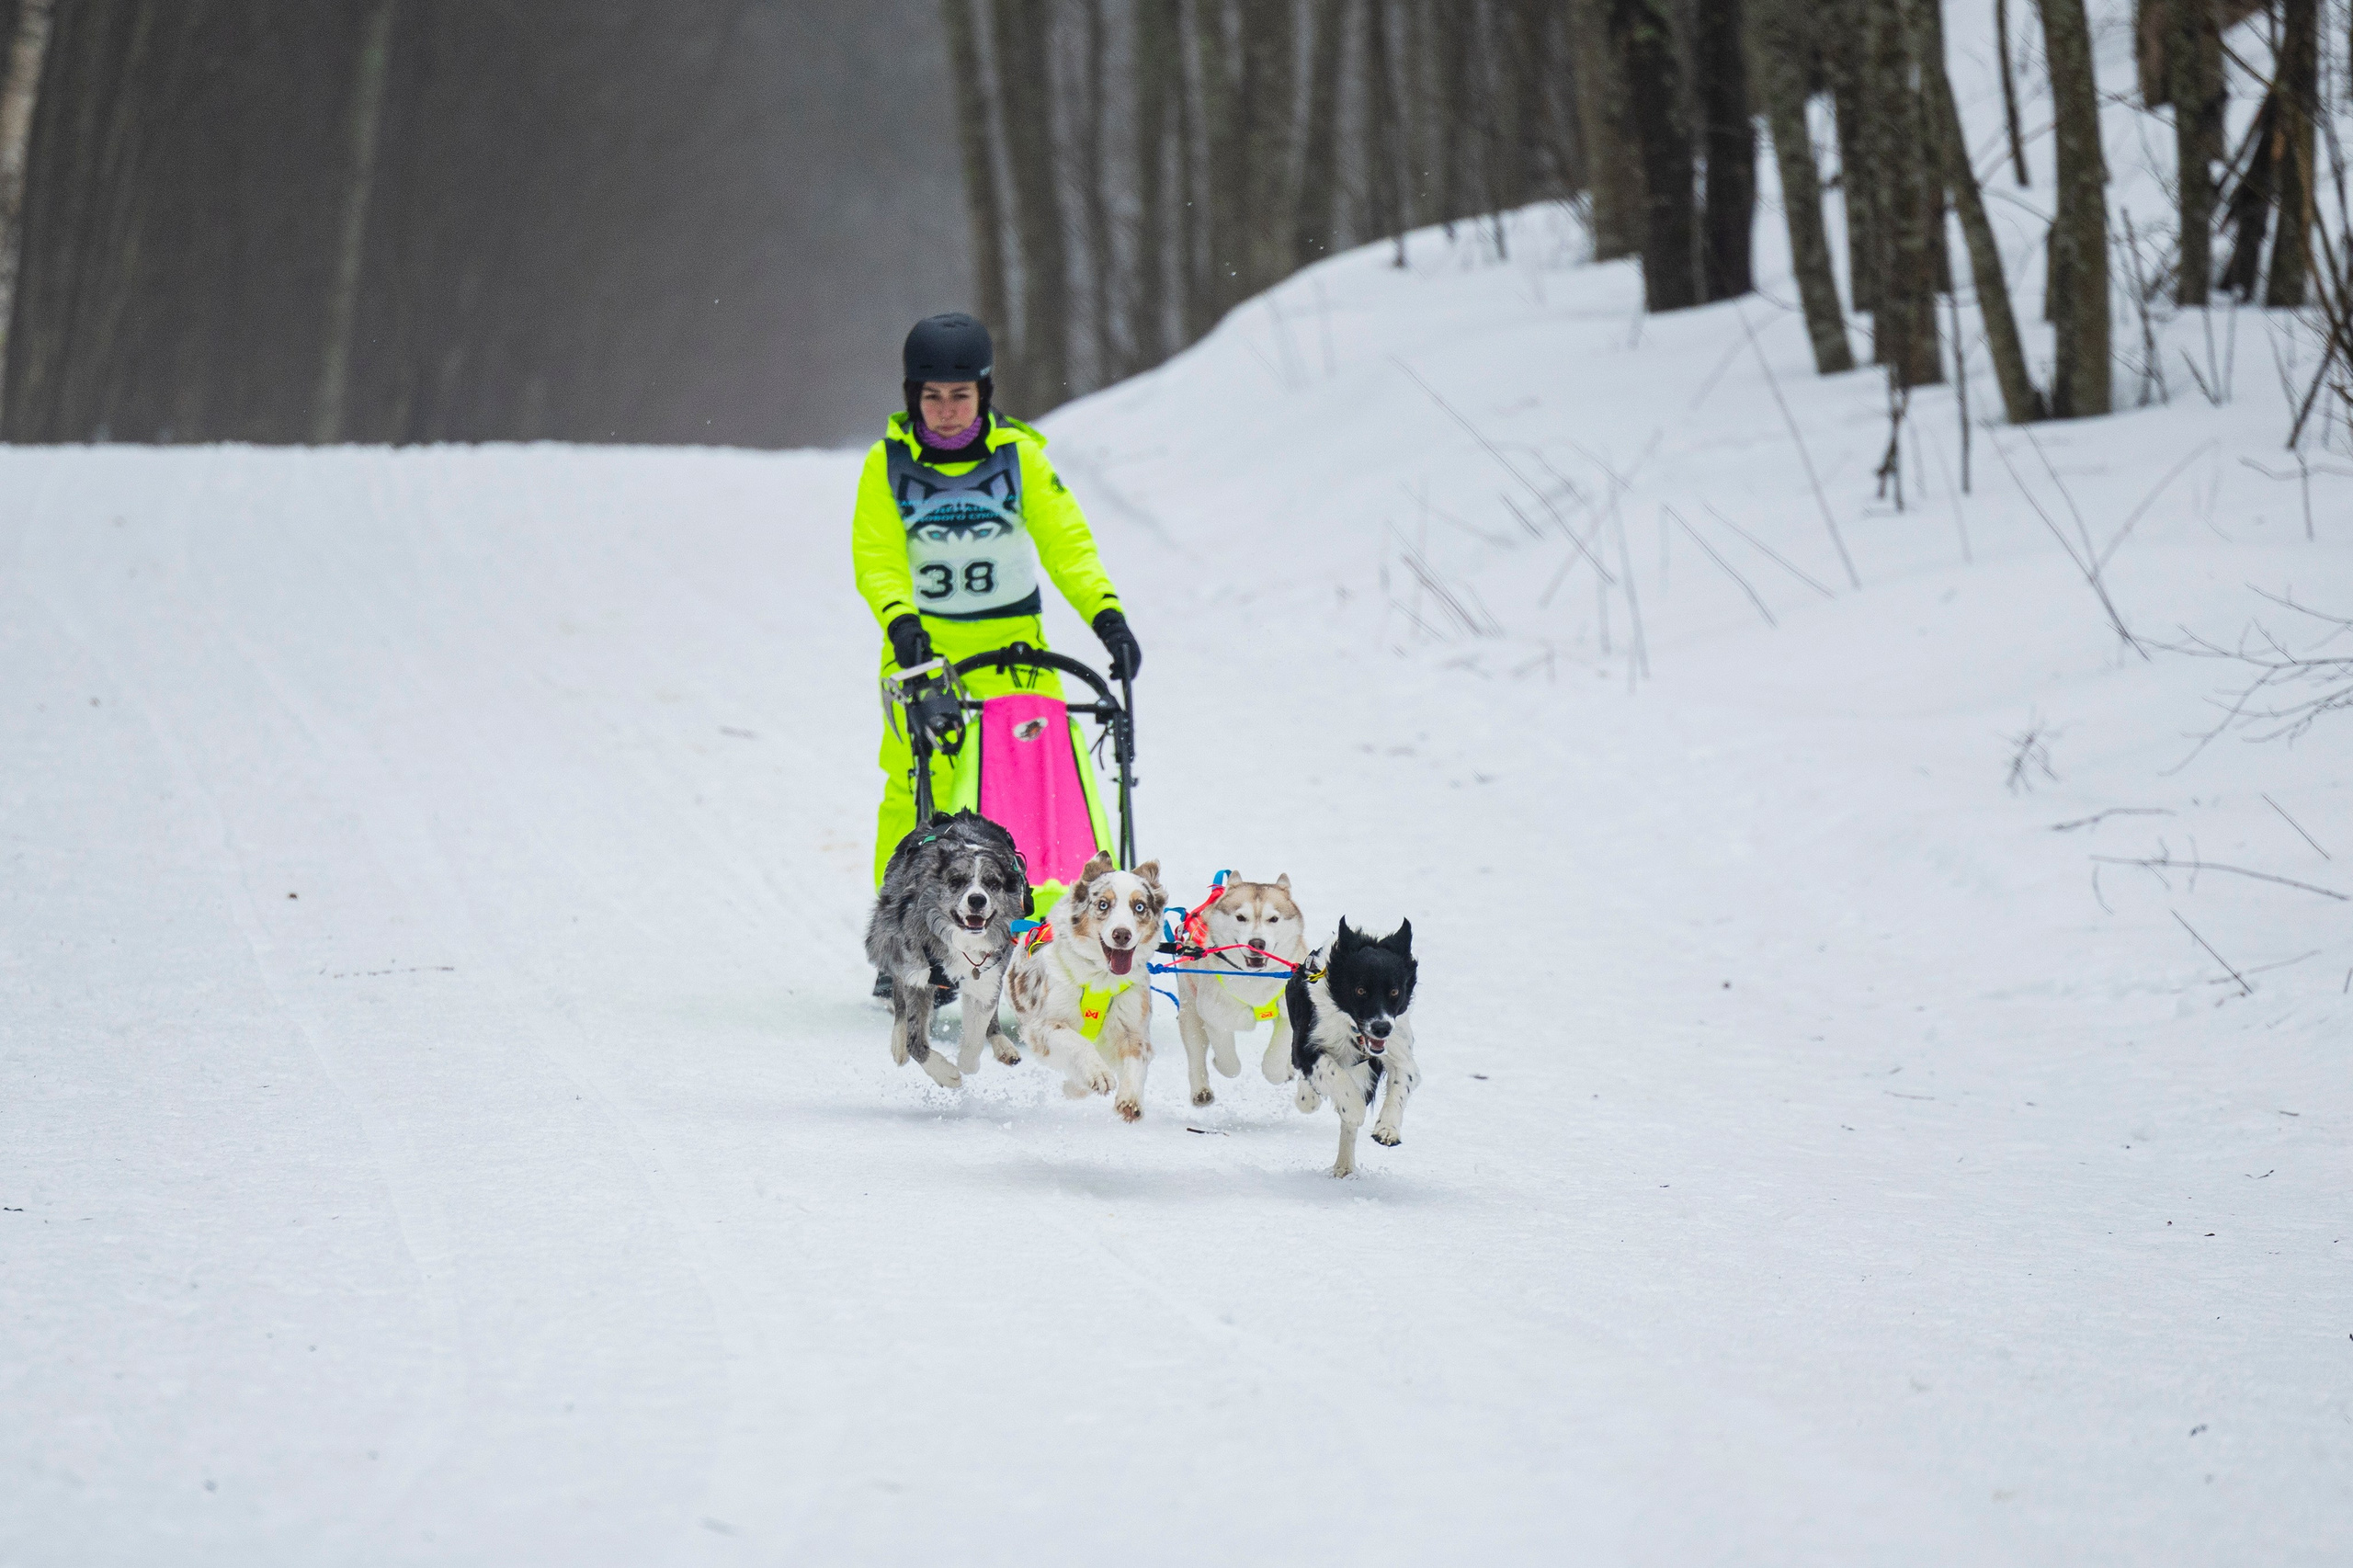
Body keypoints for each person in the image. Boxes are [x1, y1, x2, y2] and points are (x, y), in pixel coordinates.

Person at [851, 312, 1142, 997]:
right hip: (925, 657)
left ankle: (1038, 937)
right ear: (910, 396)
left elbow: (1067, 544)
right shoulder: (886, 465)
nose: (946, 411)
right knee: (919, 798)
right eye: (931, 396)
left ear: (983, 393)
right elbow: (878, 558)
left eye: (959, 395)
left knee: (1031, 797)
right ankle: (910, 942)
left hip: (1016, 656)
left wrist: (1107, 617)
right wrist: (902, 625)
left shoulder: (1021, 458)